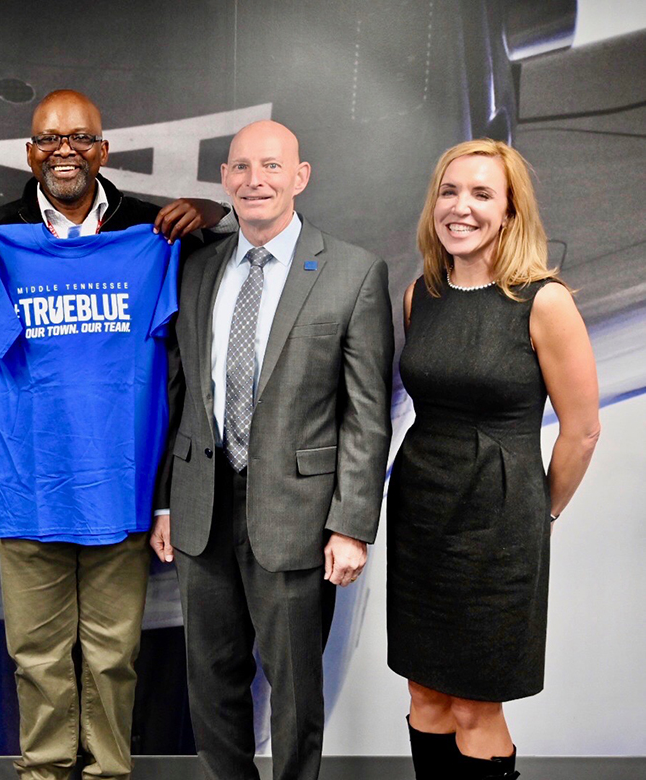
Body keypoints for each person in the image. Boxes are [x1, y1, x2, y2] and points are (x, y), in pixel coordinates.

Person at [0, 88, 229, 779]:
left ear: (102, 150)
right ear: (30, 152)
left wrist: (210, 210)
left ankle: (107, 775)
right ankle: (44, 775)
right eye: (49, 139)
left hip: (119, 484)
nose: (63, 150)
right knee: (37, 655)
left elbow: (231, 256)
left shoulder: (151, 235)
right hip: (29, 485)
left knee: (112, 655)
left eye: (78, 138)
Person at [150, 120, 394, 780]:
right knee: (211, 682)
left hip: (299, 516)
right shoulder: (195, 269)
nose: (254, 180)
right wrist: (167, 502)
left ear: (300, 177)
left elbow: (366, 415)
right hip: (202, 509)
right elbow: (179, 396)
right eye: (241, 167)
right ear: (224, 178)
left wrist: (351, 524)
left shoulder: (352, 271)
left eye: (271, 166)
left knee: (293, 689)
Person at [387, 139, 600, 780]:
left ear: (509, 212)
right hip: (421, 515)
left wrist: (538, 513)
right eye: (449, 192)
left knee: (476, 705)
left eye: (482, 194)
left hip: (498, 526)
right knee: (425, 691)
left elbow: (582, 432)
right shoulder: (420, 295)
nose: (461, 207)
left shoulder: (544, 301)